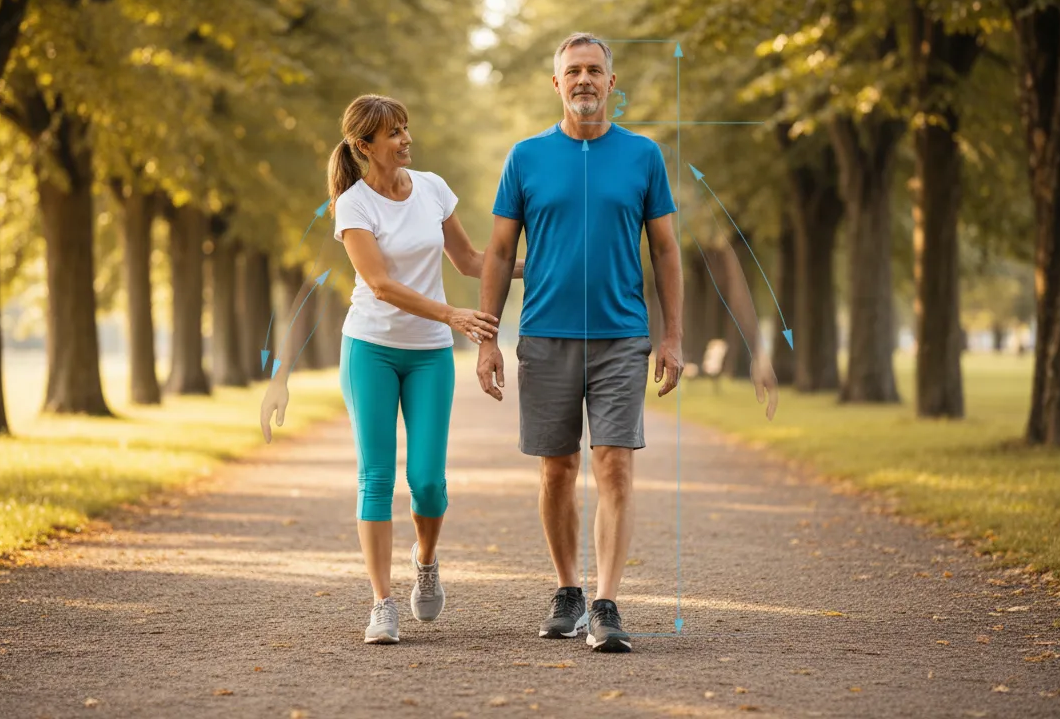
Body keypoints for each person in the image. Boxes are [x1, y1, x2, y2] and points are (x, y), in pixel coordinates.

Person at [476, 33, 780, 653]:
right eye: (573, 72)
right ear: (556, 84)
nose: (584, 80)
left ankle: (607, 603)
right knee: (557, 470)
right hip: (544, 335)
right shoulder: (525, 157)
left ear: (612, 83)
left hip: (621, 339)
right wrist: (486, 338)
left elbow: (666, 250)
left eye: (595, 70)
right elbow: (501, 251)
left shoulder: (642, 156)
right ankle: (569, 590)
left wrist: (672, 337)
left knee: (615, 466)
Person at [259, 94, 523, 645]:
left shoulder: (432, 188)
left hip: (428, 355)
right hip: (371, 350)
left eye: (405, 128)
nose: (405, 139)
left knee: (427, 482)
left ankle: (425, 562)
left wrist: (543, 267)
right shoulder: (353, 205)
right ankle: (382, 603)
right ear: (364, 147)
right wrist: (452, 313)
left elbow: (474, 262)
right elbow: (379, 285)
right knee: (375, 478)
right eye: (393, 133)